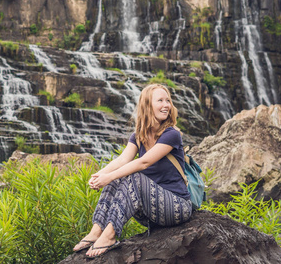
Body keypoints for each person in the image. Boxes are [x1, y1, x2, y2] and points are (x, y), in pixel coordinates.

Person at [73, 83, 192, 258]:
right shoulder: (139, 135)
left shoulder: (171, 134)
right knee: (117, 178)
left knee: (134, 176)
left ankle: (110, 236)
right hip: (151, 211)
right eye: (160, 100)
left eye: (168, 100)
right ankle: (96, 230)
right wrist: (101, 175)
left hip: (177, 207)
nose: (166, 105)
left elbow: (143, 162)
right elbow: (122, 160)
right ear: (147, 105)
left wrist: (109, 176)